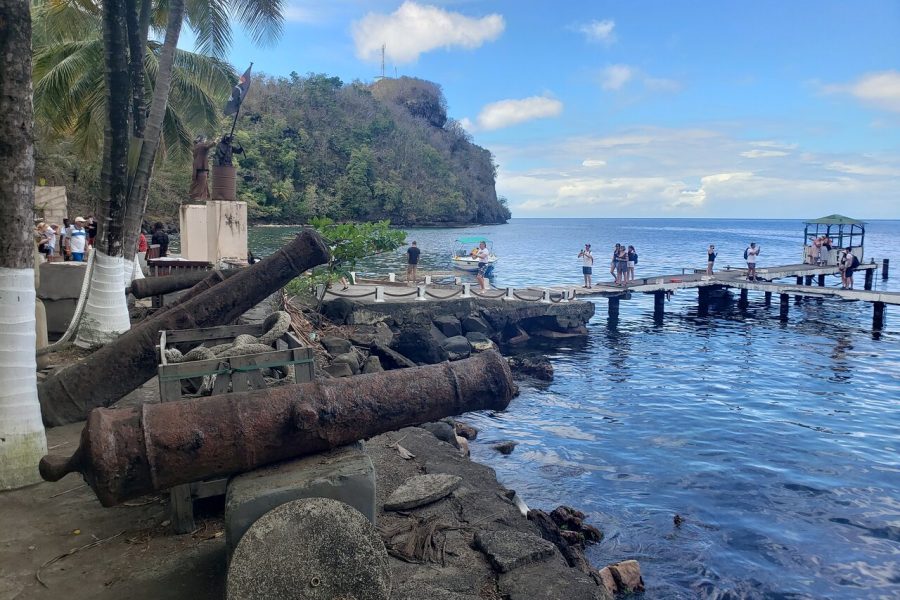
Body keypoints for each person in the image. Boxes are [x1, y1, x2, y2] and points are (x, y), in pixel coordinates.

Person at [189, 135, 217, 200]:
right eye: (205, 139)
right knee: (202, 182)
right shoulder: (201, 145)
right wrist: (215, 142)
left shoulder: (195, 146)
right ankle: (198, 196)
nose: (205, 141)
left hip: (197, 166)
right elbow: (208, 146)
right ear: (202, 139)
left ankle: (202, 196)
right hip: (201, 166)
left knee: (201, 182)